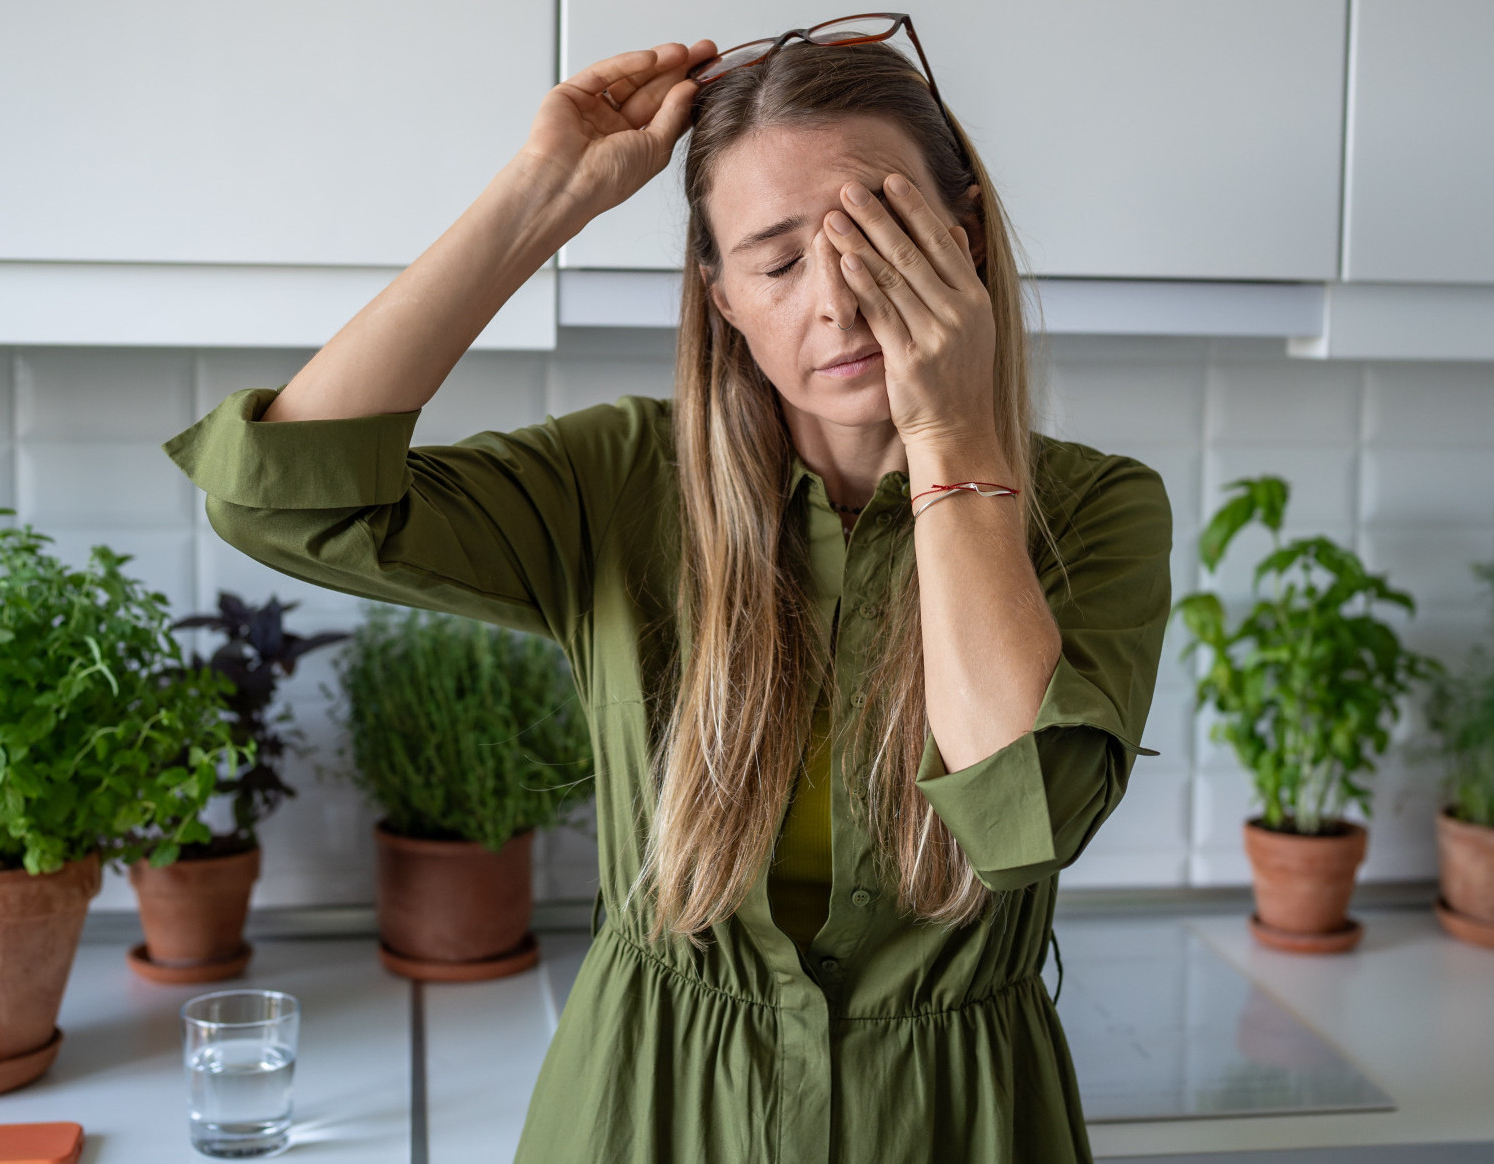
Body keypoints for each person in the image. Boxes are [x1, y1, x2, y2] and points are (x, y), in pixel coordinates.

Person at [164, 22, 1171, 1164]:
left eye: (880, 241)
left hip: (955, 1123)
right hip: (642, 1112)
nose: (838, 306)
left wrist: (948, 431)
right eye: (779, 261)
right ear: (720, 293)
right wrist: (541, 195)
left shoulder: (1095, 512)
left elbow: (1023, 819)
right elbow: (282, 501)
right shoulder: (621, 482)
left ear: (966, 239)